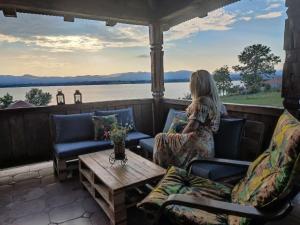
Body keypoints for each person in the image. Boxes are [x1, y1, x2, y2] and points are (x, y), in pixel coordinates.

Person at [153, 70, 227, 168]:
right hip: (208, 145)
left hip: (197, 143)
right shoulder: (217, 102)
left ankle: (161, 171)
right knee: (166, 138)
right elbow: (224, 115)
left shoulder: (201, 101)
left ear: (197, 85)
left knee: (160, 137)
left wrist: (179, 137)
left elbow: (193, 125)